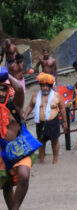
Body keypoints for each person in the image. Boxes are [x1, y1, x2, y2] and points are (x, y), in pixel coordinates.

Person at [0, 68, 31, 210]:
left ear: (8, 90)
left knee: (24, 175)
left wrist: (5, 72)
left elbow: (19, 87)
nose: (1, 93)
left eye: (4, 89)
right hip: (1, 150)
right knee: (7, 185)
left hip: (17, 146)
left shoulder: (15, 105)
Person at [24, 73, 68, 164]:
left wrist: (65, 122)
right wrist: (24, 117)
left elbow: (63, 108)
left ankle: (55, 160)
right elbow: (30, 106)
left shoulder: (56, 96)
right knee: (41, 141)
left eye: (46, 86)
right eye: (42, 86)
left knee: (55, 141)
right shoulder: (35, 96)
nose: (44, 88)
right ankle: (42, 160)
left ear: (50, 86)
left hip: (53, 122)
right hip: (40, 122)